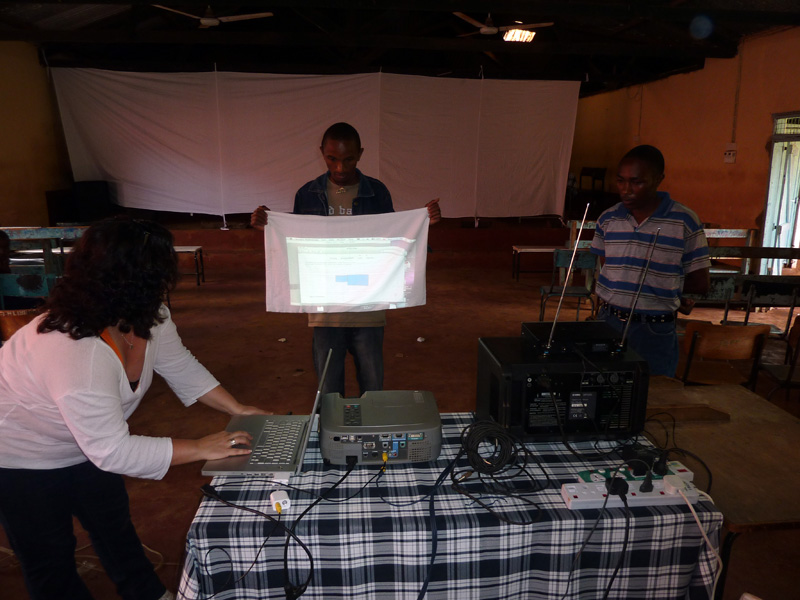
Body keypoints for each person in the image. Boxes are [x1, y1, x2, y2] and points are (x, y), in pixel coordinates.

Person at [0, 216, 268, 600]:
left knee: (115, 529)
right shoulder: (73, 348)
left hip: (89, 443)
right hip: (20, 456)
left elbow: (180, 365)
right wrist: (200, 447)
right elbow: (113, 451)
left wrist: (237, 407)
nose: (166, 284)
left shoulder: (148, 315)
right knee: (49, 562)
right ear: (136, 280)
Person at [251, 122, 441, 397]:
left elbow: (394, 242)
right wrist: (270, 227)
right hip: (325, 312)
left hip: (369, 308)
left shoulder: (377, 192)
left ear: (360, 153)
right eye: (332, 159)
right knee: (329, 392)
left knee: (373, 389)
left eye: (348, 159)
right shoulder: (307, 194)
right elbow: (297, 244)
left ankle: (370, 425)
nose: (340, 167)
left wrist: (423, 225)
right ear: (322, 152)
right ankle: (334, 426)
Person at [590, 144, 710, 377]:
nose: (626, 190)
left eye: (637, 182)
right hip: (609, 321)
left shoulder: (683, 221)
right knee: (606, 387)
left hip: (654, 328)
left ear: (658, 180)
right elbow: (612, 271)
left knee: (654, 390)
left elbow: (701, 283)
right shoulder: (608, 219)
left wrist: (664, 288)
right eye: (621, 181)